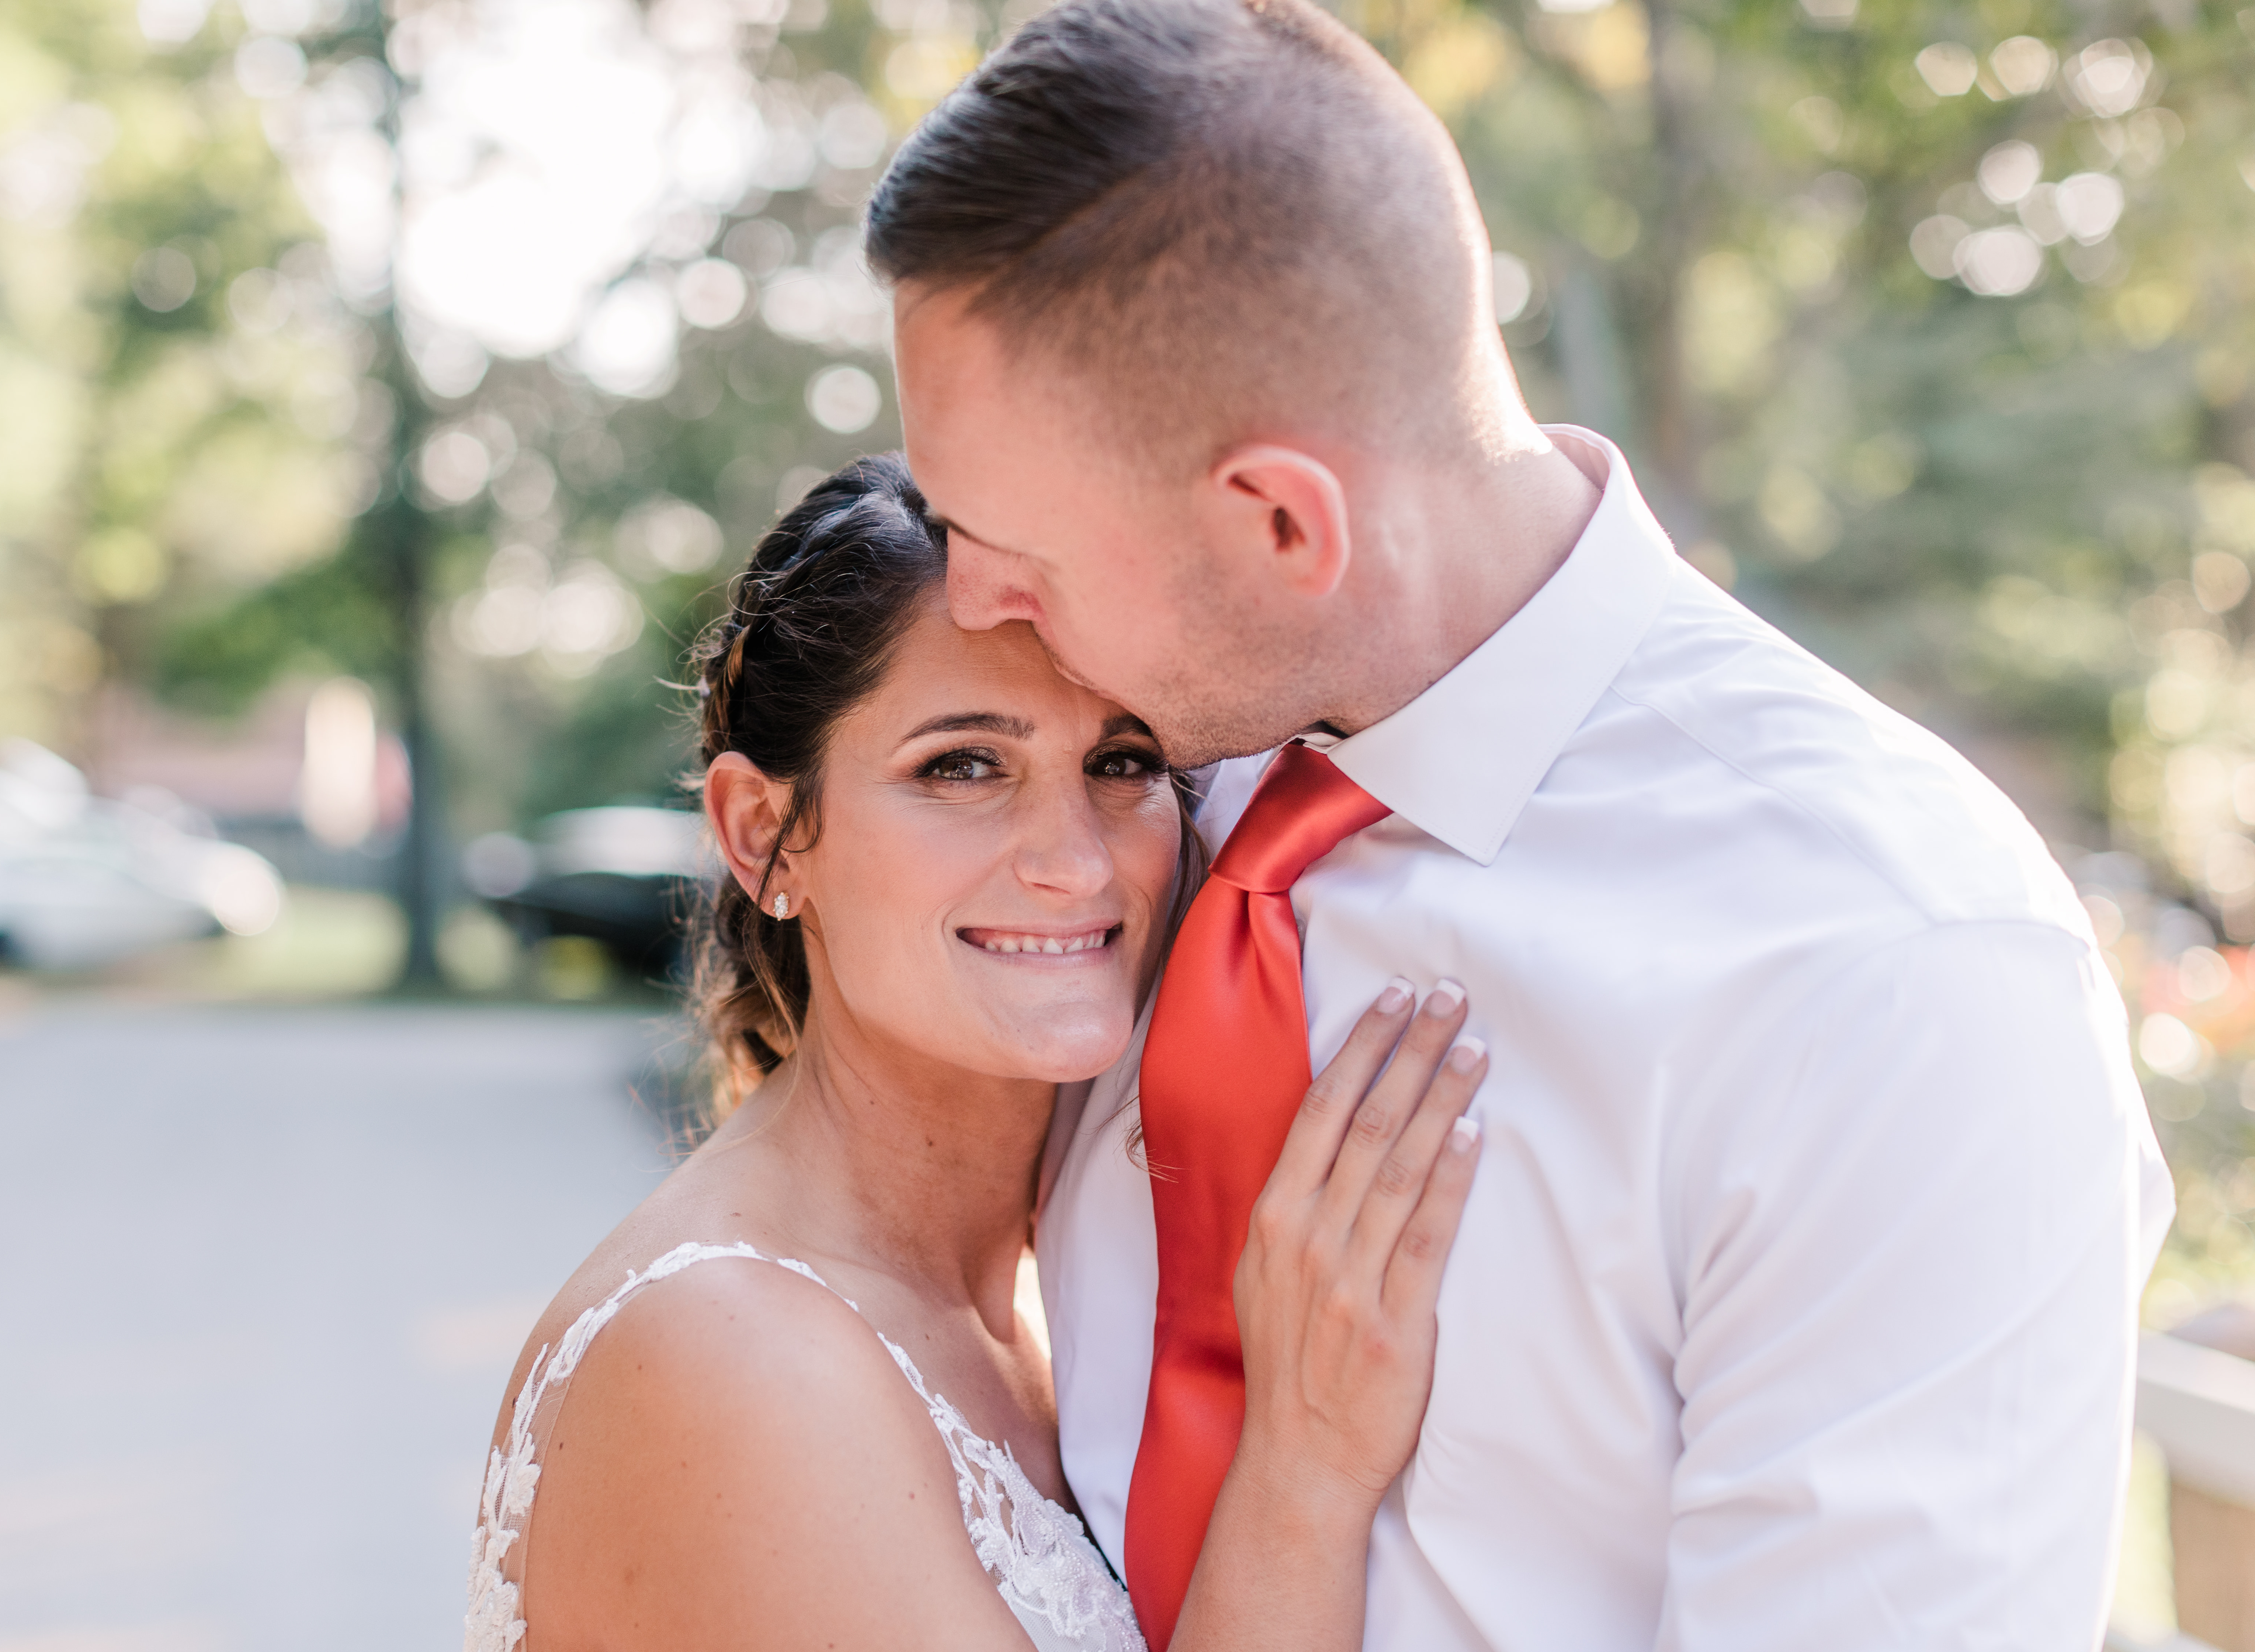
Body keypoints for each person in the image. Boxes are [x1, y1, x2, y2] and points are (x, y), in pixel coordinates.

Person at [868, 0, 2177, 1646]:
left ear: (1282, 519)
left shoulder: (1889, 970)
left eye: (1009, 545)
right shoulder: (1116, 820)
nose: (970, 593)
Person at [463, 456, 1488, 1652]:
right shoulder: (727, 1354)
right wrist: (1305, 1468)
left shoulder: (1059, 1295)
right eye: (962, 766)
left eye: (1123, 762)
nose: (1078, 862)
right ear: (763, 834)